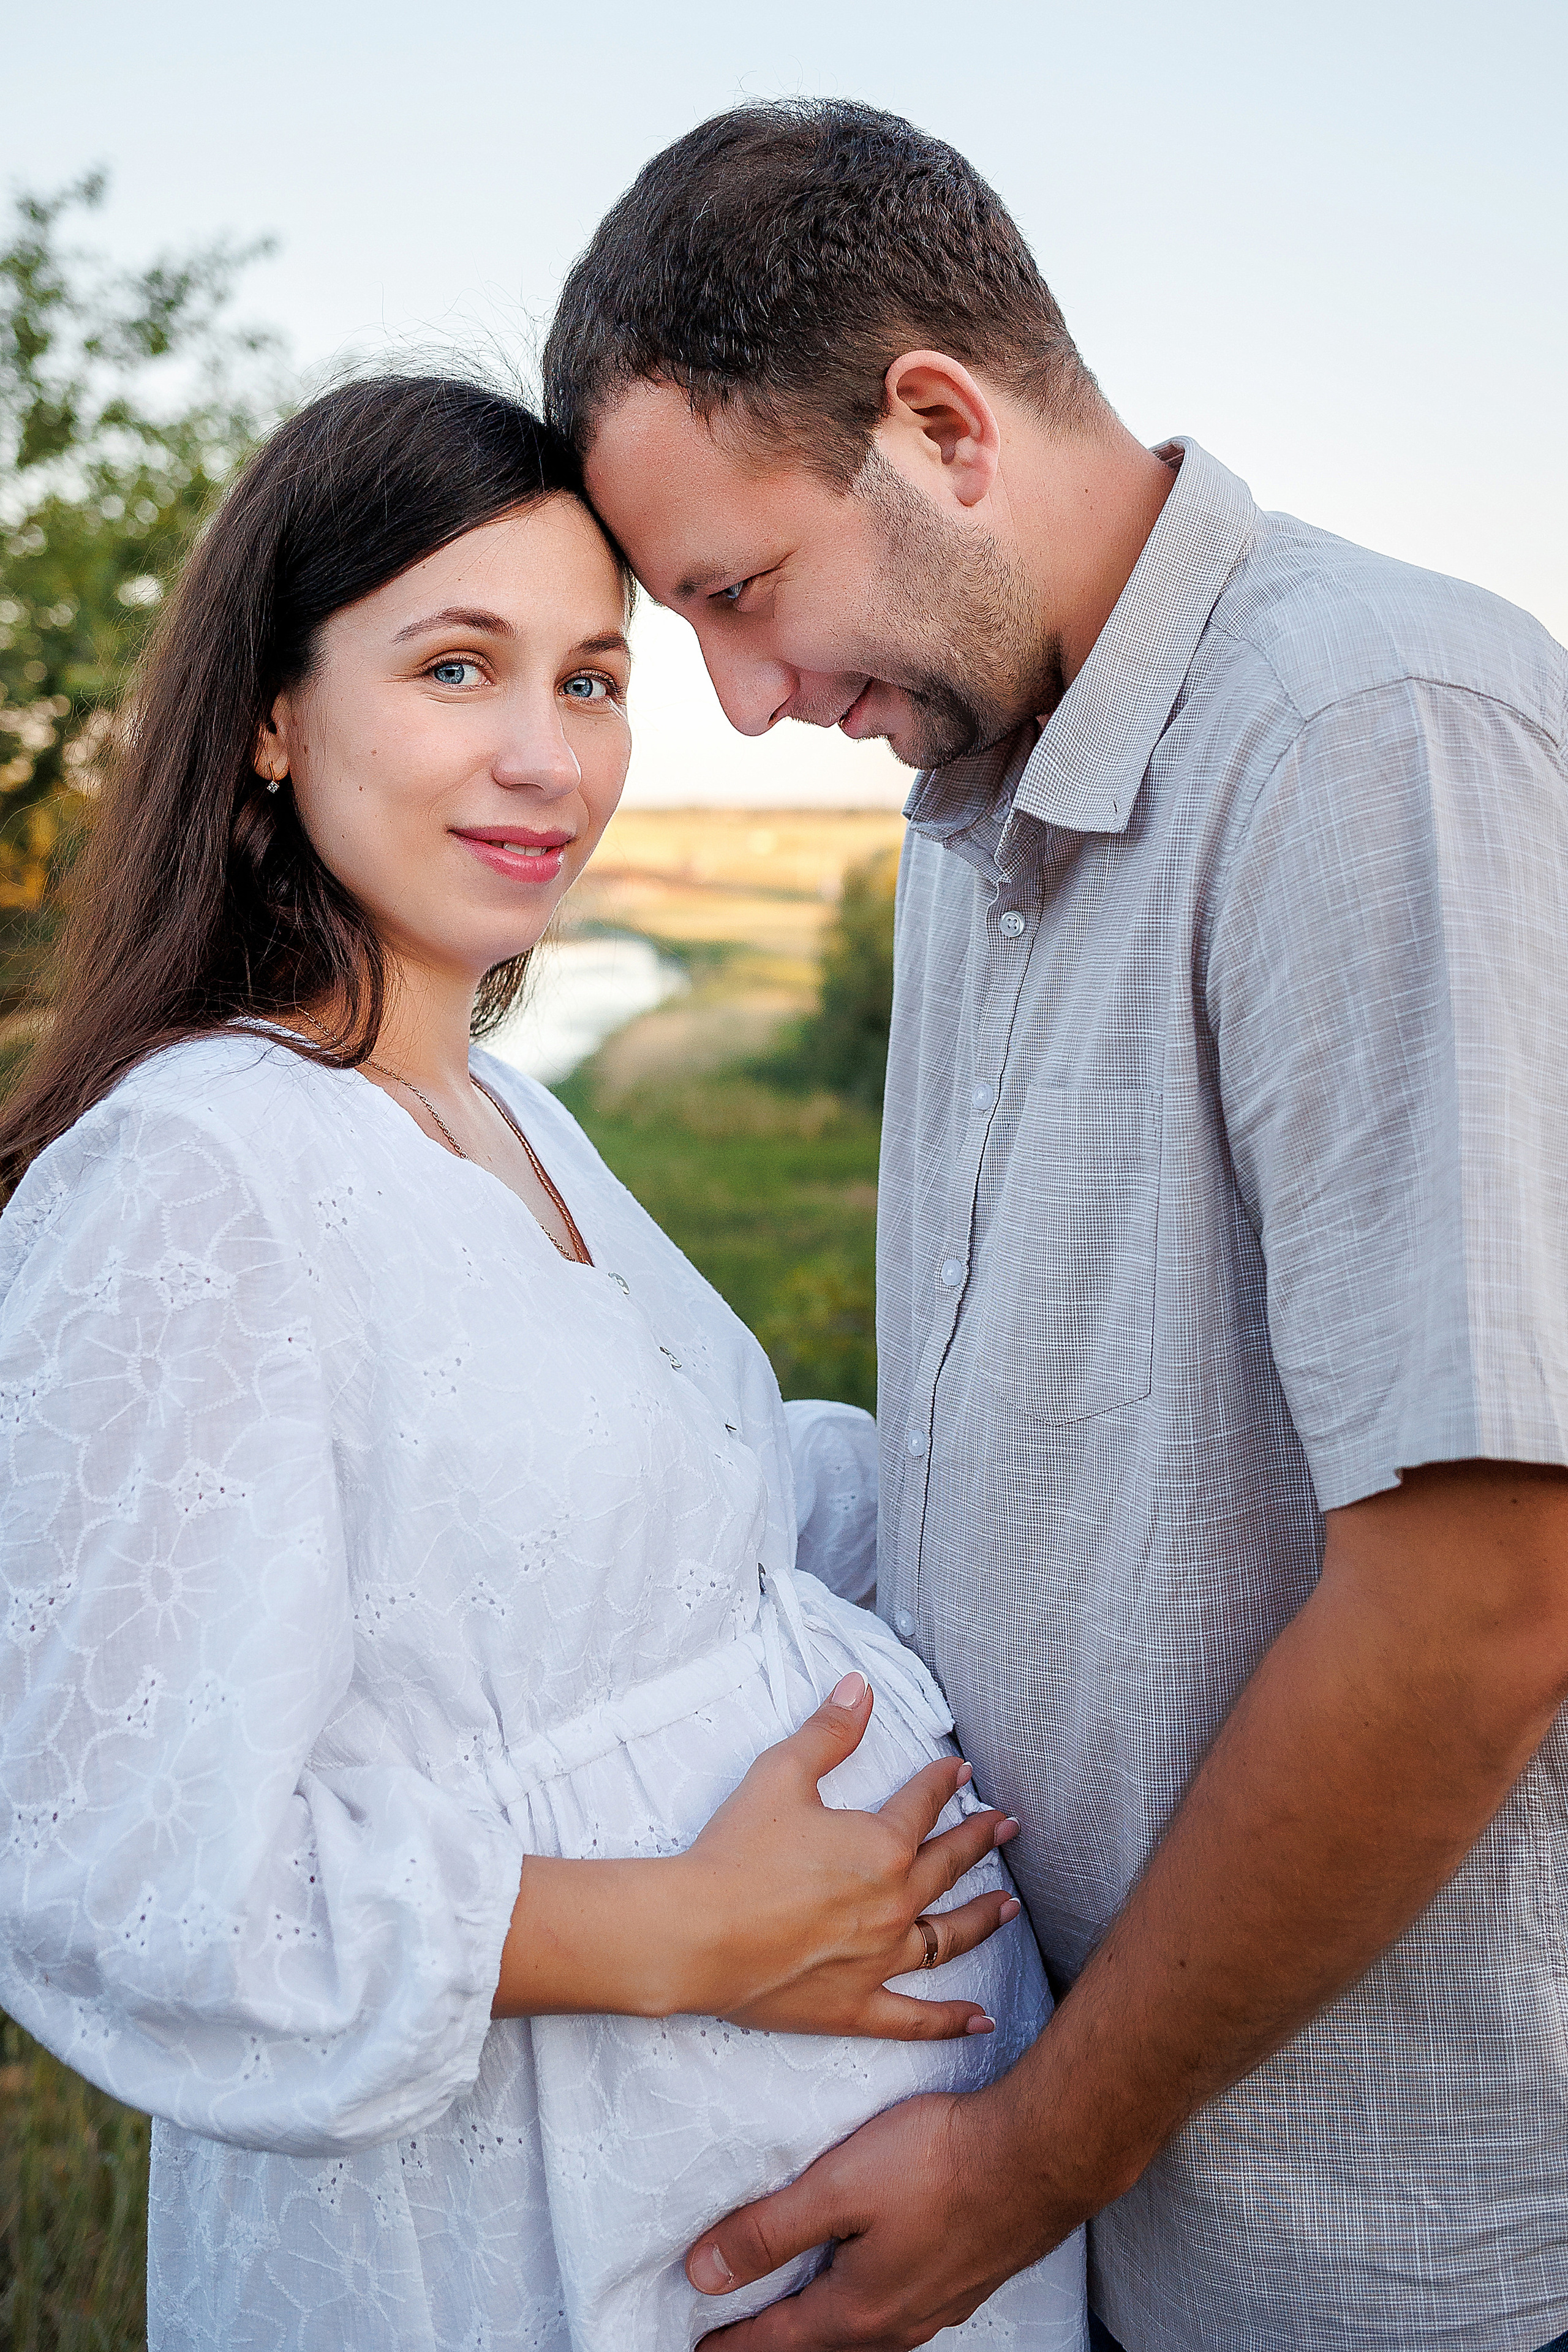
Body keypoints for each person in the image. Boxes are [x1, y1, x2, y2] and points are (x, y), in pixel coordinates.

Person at [542, 99, 1568, 2352]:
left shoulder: (1367, 733)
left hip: (1394, 2252)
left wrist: (1026, 2163)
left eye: (740, 591)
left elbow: (1484, 1601)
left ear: (938, 424)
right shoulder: (964, 790)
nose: (744, 698)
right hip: (1124, 2193)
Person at [0, 374, 1088, 2351]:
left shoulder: (500, 1111)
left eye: (592, 681)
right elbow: (124, 1870)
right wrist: (684, 1932)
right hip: (523, 2262)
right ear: (271, 713)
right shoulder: (194, 1177)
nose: (542, 757)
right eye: (455, 665)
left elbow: (697, 1518)